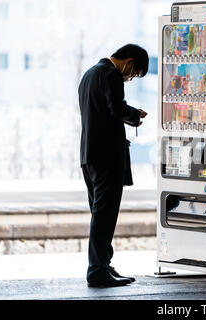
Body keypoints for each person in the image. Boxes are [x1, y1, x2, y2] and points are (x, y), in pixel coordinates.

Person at [78, 44, 148, 287]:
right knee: (104, 216)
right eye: (133, 74)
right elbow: (116, 108)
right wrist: (135, 115)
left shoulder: (89, 74)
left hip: (89, 156)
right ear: (128, 62)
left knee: (100, 214)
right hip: (107, 156)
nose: (129, 79)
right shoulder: (111, 75)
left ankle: (104, 264)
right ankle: (97, 271)